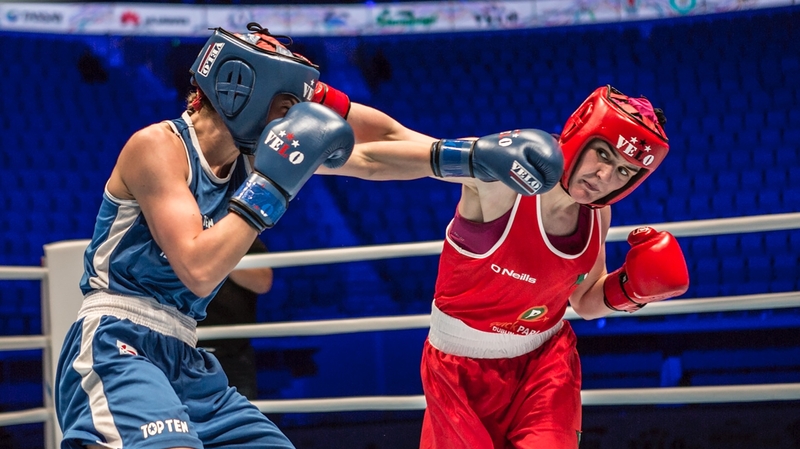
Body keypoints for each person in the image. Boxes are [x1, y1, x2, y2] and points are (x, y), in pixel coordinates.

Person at [317, 85, 691, 448]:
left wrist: (628, 290)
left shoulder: (598, 216)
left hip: (546, 363)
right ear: (582, 135)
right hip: (458, 368)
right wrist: (298, 148)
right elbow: (392, 142)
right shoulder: (504, 180)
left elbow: (584, 301)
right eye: (605, 156)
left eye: (625, 172)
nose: (605, 177)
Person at [54, 23, 356, 449]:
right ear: (242, 89)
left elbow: (376, 152)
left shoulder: (246, 164)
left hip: (186, 354)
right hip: (117, 342)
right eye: (285, 105)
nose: (289, 123)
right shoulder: (157, 146)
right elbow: (198, 269)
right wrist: (271, 186)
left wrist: (450, 157)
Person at [198, 236, 271, 401]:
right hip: (184, 352)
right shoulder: (179, 232)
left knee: (241, 422)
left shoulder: (242, 234)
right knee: (185, 420)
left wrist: (220, 258)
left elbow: (263, 282)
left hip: (235, 353)